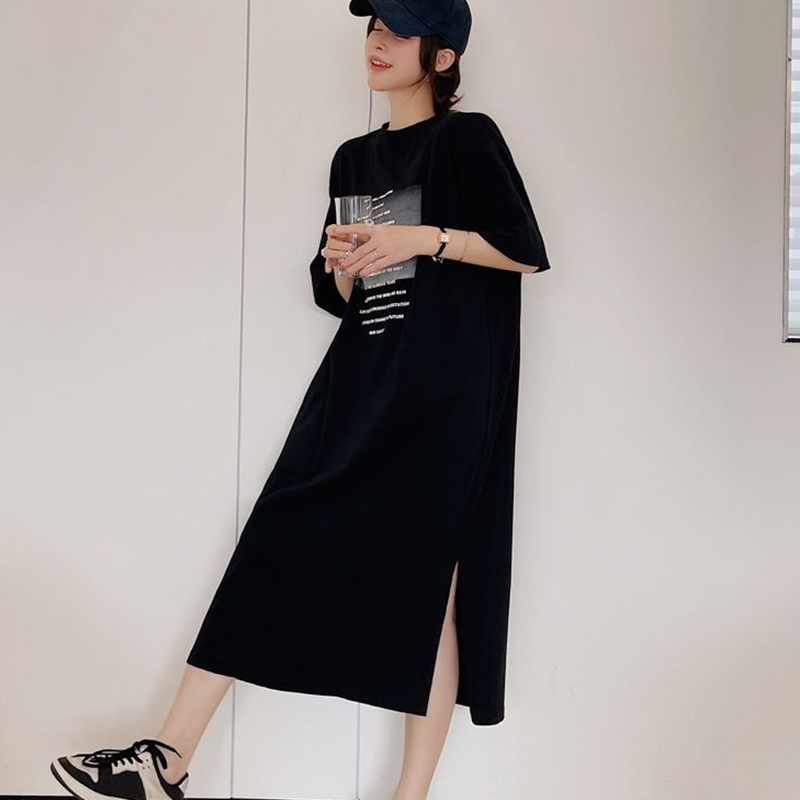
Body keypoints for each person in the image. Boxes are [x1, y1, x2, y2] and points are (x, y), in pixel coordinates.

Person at [49, 1, 551, 799]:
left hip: (446, 396)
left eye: (397, 32)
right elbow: (344, 296)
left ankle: (408, 796)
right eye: (372, 28)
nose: (376, 42)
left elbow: (523, 250)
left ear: (443, 57)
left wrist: (423, 239)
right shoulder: (354, 159)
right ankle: (165, 760)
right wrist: (345, 264)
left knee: (433, 587)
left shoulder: (467, 140)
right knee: (275, 534)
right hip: (359, 383)